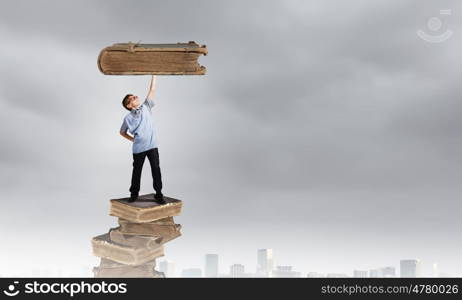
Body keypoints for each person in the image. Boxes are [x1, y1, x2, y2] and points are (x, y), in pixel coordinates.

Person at [119, 75, 165, 204]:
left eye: (134, 95)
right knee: (137, 171)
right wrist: (133, 140)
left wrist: (154, 74)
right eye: (131, 98)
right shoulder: (127, 118)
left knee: (156, 169)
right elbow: (122, 132)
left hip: (152, 146)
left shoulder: (146, 107)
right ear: (129, 105)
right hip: (139, 148)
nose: (135, 97)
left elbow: (152, 89)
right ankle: (134, 194)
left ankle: (159, 194)